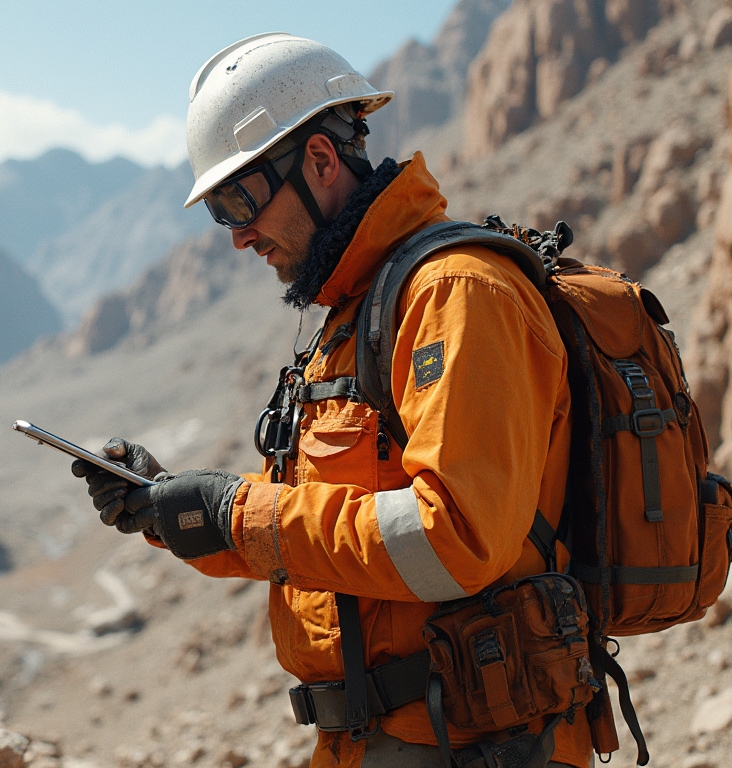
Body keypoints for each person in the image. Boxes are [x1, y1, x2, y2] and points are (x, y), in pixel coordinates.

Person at [72, 34, 587, 767]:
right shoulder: (358, 307)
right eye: (220, 208)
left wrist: (234, 514)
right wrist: (171, 508)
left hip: (470, 741)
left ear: (320, 160)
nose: (237, 235)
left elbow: (457, 538)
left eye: (241, 196)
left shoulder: (454, 294)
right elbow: (337, 519)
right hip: (387, 738)